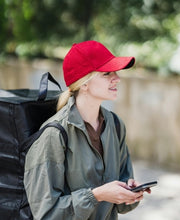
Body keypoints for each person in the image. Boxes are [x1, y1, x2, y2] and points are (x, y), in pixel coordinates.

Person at [24, 40, 151, 220]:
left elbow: (120, 205)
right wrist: (96, 195)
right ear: (83, 83)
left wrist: (130, 193)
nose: (117, 78)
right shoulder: (55, 134)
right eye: (107, 73)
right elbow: (45, 213)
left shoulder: (115, 125)